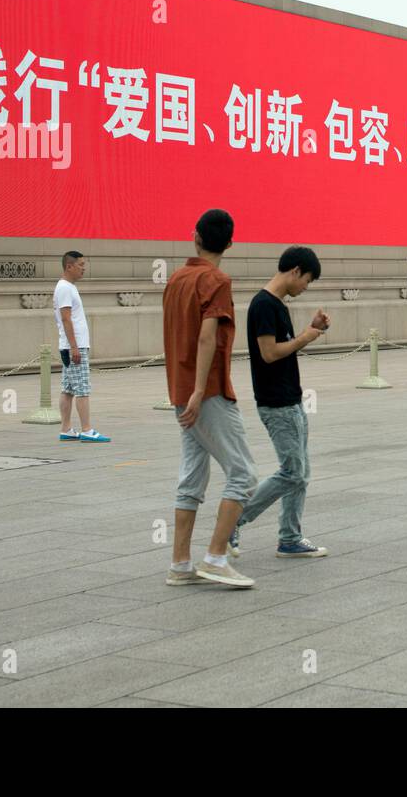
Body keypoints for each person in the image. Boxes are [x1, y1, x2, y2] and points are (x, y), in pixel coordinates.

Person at [163, 210, 256, 587]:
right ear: (230, 243)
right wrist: (202, 390)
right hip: (208, 393)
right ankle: (216, 558)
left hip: (179, 391)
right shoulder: (215, 279)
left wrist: (188, 391)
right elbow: (206, 337)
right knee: (244, 474)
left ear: (195, 236)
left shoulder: (176, 279)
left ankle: (180, 565)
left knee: (192, 477)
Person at [229, 245, 331, 559]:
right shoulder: (263, 305)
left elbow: (281, 348)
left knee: (301, 472)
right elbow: (269, 353)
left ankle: (290, 537)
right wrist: (304, 337)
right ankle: (233, 520)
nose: (306, 287)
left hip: (291, 398)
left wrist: (312, 330)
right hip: (276, 403)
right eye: (307, 280)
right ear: (295, 271)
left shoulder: (278, 305)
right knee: (293, 472)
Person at [54, 251, 110, 443]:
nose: (83, 268)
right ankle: (86, 429)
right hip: (74, 347)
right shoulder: (64, 288)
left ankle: (66, 429)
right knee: (82, 389)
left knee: (68, 389)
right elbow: (66, 318)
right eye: (80, 264)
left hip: (70, 346)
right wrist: (75, 347)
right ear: (69, 266)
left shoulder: (68, 287)